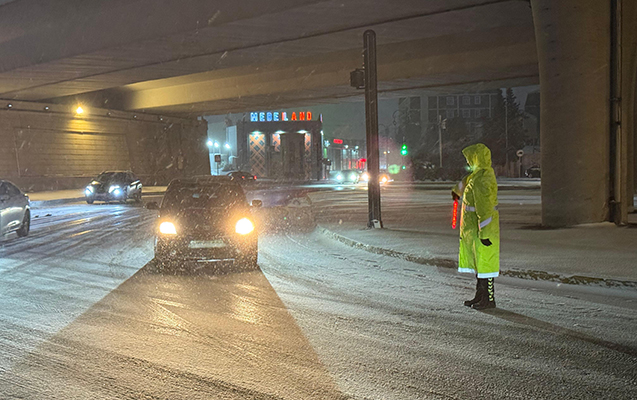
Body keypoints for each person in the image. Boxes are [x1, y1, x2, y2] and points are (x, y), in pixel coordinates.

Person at [451, 143, 500, 310]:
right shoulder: (477, 176)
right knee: (480, 264)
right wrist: (456, 191)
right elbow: (466, 181)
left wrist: (485, 232)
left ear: (477, 158)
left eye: (470, 158)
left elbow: (485, 209)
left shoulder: (483, 178)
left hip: (484, 231)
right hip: (476, 230)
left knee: (487, 265)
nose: (468, 162)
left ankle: (488, 299)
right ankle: (480, 296)